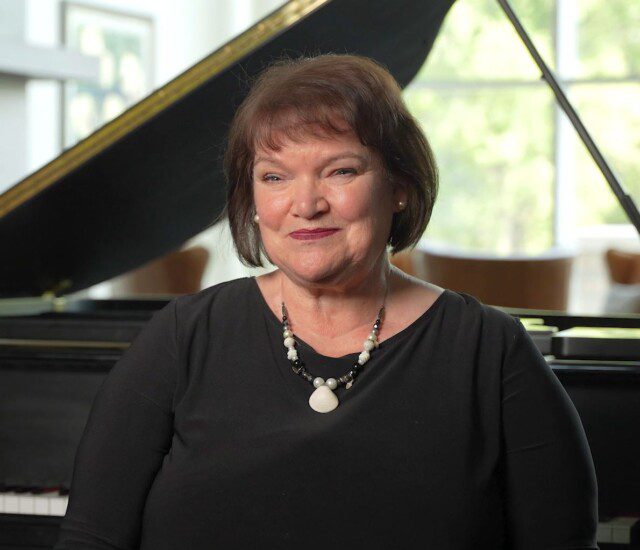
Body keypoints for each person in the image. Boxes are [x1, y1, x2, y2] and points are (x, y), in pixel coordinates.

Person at [55, 54, 598, 549]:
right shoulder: (181, 338)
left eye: (341, 170)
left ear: (400, 186)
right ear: (254, 200)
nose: (306, 204)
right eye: (275, 177)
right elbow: (89, 540)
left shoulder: (489, 351)